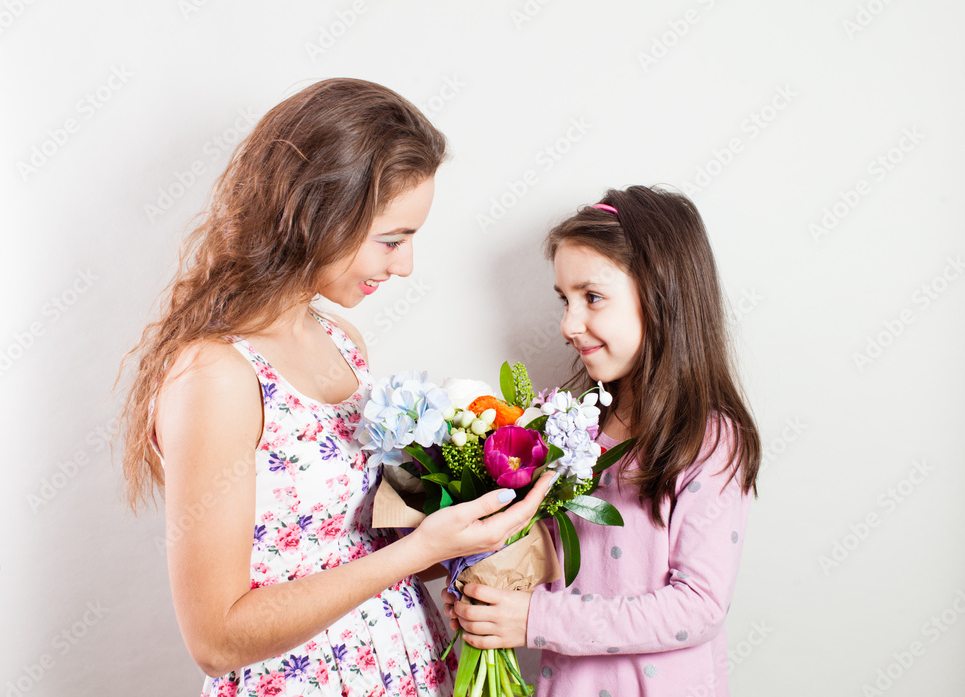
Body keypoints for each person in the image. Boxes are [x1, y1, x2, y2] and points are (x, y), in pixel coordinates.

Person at [118, 78, 553, 697]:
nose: (404, 266)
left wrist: (474, 532)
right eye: (392, 240)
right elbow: (215, 641)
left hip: (410, 670)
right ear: (318, 213)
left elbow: (356, 550)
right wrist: (413, 552)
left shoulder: (343, 343)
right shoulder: (216, 377)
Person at [442, 186, 762, 696]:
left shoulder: (710, 440)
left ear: (662, 296)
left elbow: (698, 607)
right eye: (564, 301)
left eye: (591, 297)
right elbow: (558, 566)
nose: (569, 324)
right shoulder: (573, 427)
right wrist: (491, 596)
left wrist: (535, 618)